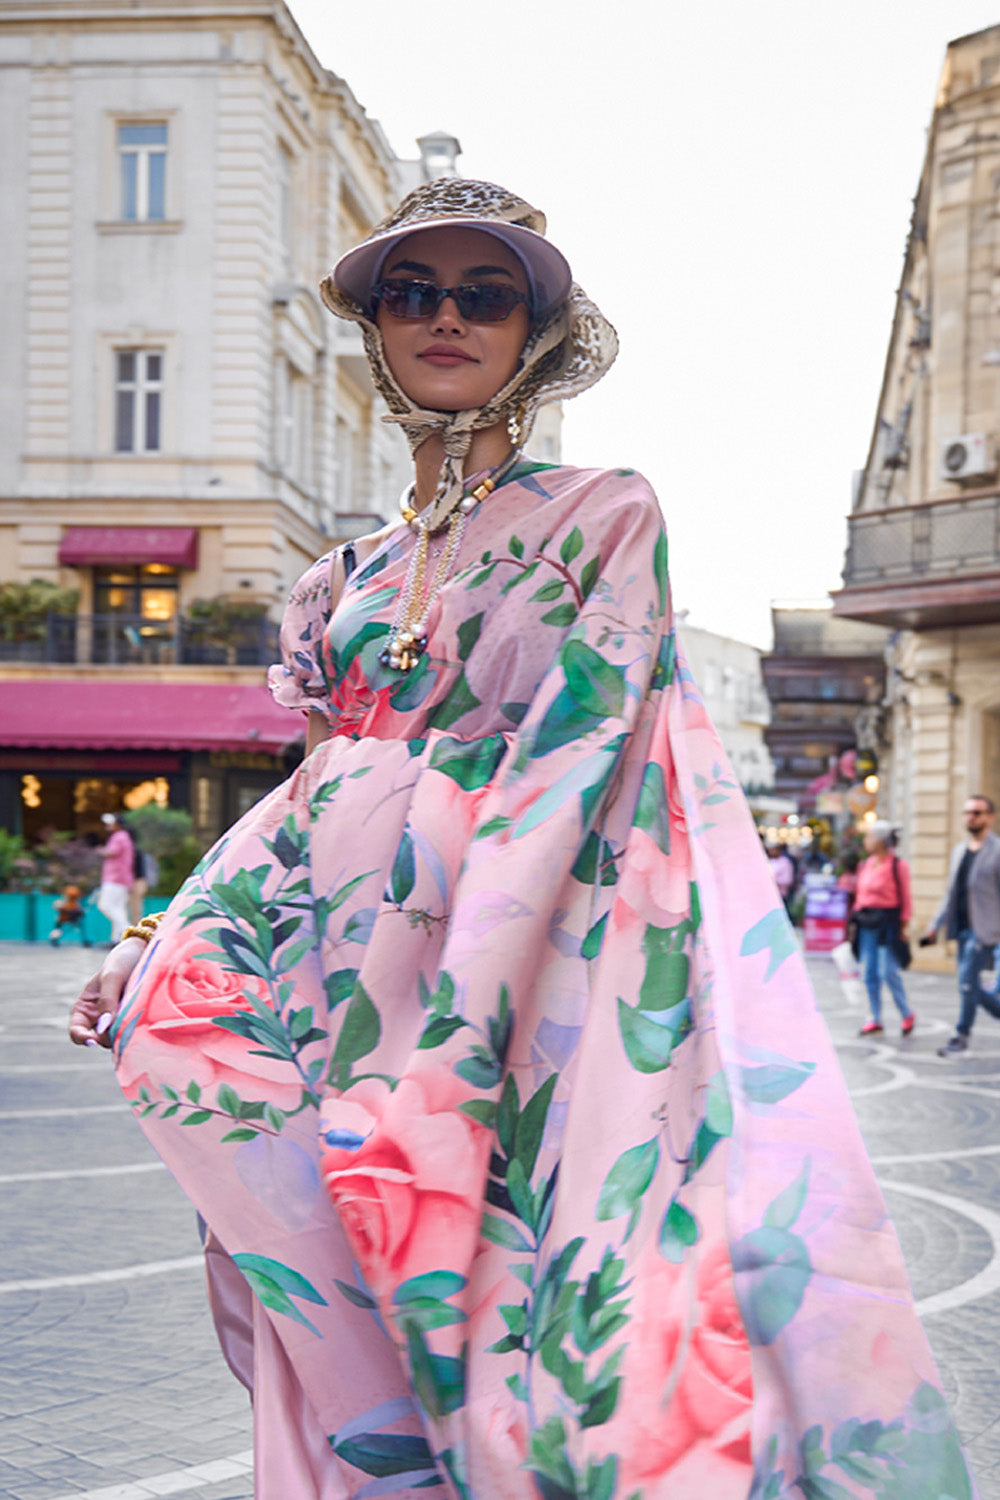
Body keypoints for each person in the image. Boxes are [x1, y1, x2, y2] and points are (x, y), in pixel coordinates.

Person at [69, 180, 977, 1499]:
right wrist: (159, 935)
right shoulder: (338, 581)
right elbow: (314, 786)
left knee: (534, 1299)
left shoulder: (602, 514)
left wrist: (458, 1014)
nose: (445, 316)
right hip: (338, 969)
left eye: (484, 294)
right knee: (304, 1216)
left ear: (535, 331)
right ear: (375, 326)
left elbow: (585, 748)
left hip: (531, 969)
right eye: (411, 291)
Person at [922, 793, 1000, 1056]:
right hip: (961, 928)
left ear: (990, 817)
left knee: (967, 981)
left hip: (986, 930)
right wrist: (934, 925)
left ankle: (960, 1035)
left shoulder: (997, 851)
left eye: (977, 812)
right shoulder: (959, 851)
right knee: (967, 984)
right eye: (967, 812)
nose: (971, 817)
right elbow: (950, 894)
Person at [852, 820, 915, 1037]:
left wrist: (904, 925)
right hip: (866, 922)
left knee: (888, 970)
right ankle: (874, 1017)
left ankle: (906, 1013)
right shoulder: (865, 864)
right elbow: (860, 894)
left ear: (881, 840)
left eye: (869, 836)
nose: (866, 841)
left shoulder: (898, 865)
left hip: (888, 924)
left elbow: (906, 898)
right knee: (869, 972)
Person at [95, 812, 134, 945]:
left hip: (115, 877)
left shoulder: (119, 837)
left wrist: (100, 850)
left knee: (105, 905)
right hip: (123, 878)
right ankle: (117, 939)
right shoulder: (125, 836)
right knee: (118, 908)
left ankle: (127, 929)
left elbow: (111, 852)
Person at [765, 839, 796, 911]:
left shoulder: (785, 862)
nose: (771, 852)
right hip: (768, 896)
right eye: (770, 850)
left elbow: (788, 880)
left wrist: (772, 880)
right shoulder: (769, 861)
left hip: (780, 895)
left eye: (773, 850)